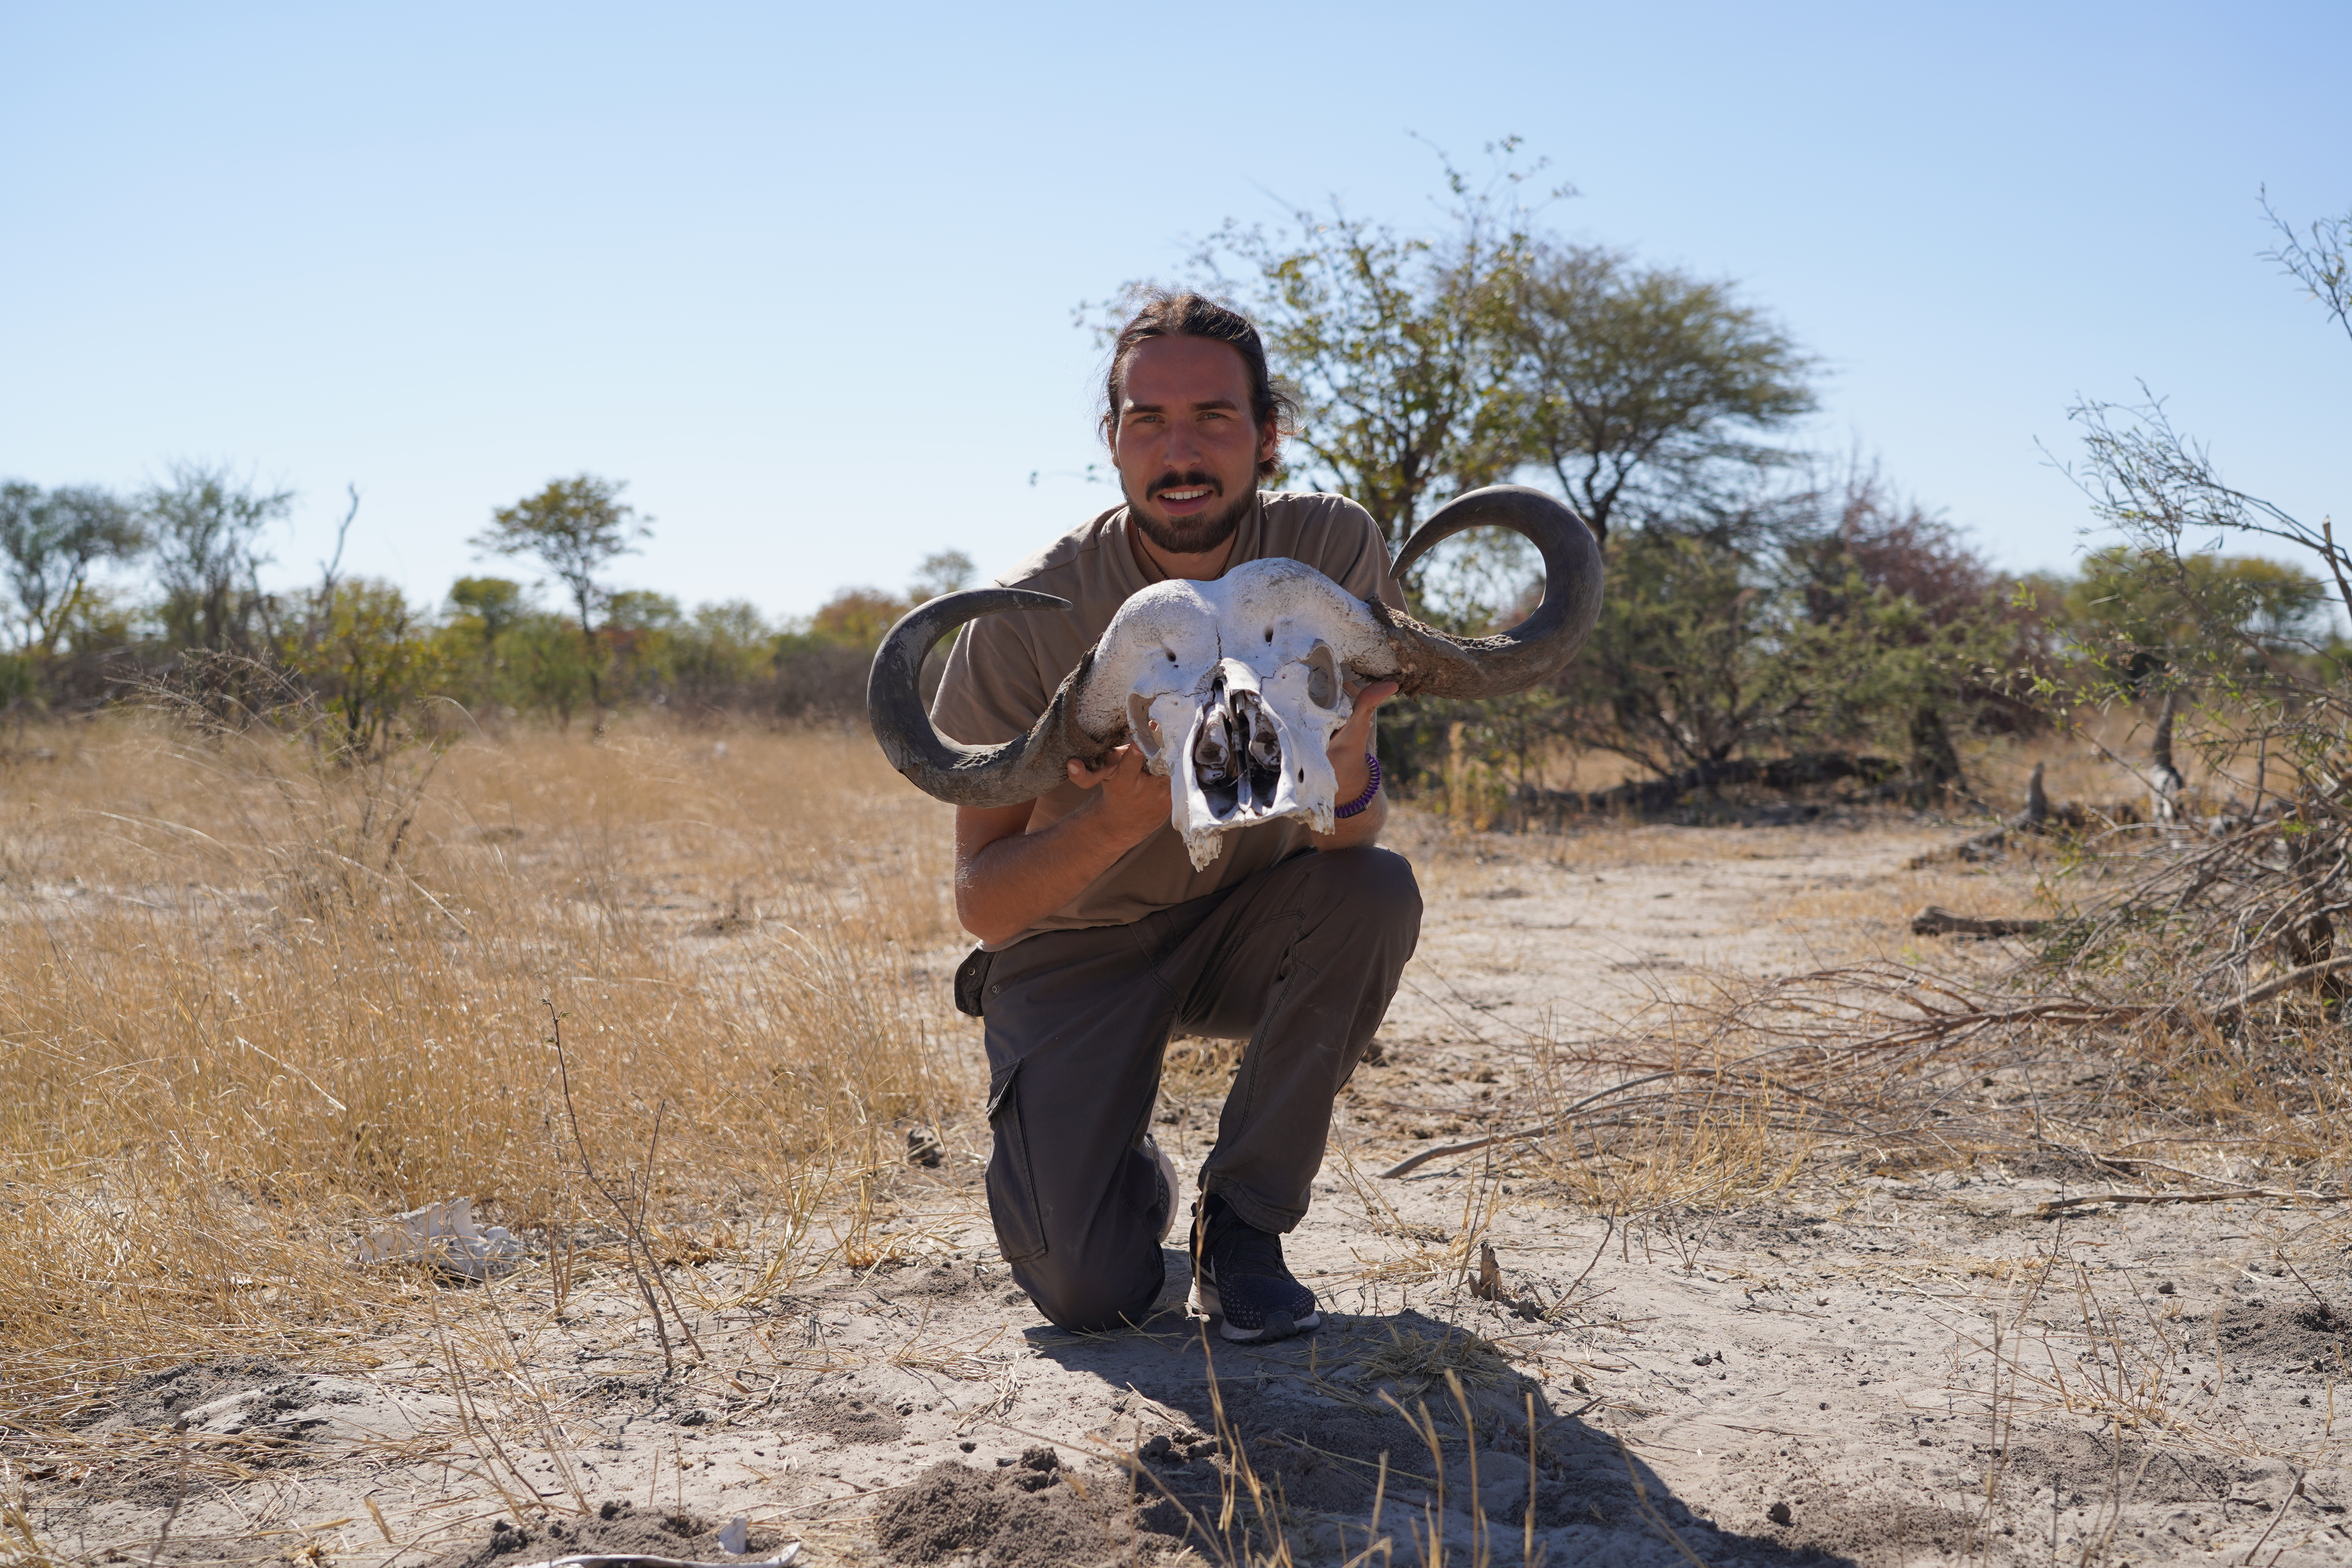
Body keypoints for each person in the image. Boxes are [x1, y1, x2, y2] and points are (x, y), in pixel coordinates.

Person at [928, 292, 1423, 1341]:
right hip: (1077, 946)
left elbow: (1351, 836)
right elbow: (983, 905)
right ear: (1112, 441)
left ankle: (1241, 1230)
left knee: (1374, 891)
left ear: (1269, 434)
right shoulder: (1029, 617)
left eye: (1213, 418)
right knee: (1086, 1293)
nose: (1180, 450)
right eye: (1147, 421)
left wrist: (1346, 767)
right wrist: (1115, 822)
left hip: (1255, 919)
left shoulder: (1330, 547)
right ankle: (1108, 1156)